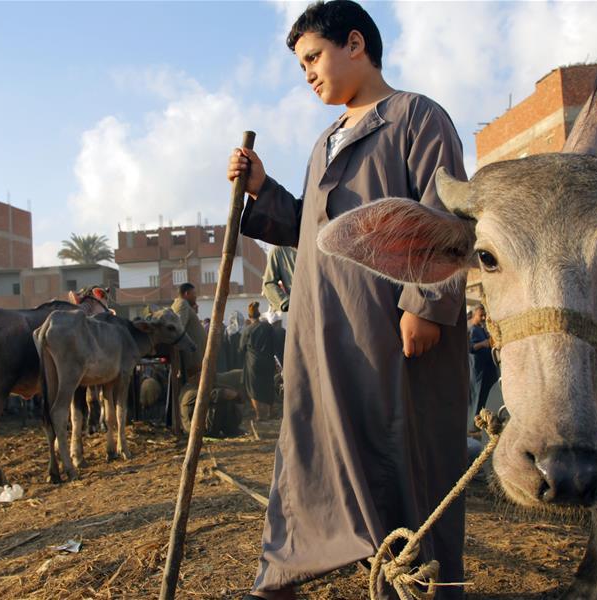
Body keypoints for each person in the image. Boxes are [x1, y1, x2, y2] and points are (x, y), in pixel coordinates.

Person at [227, 2, 469, 598]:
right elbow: (309, 228)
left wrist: (426, 303)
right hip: (322, 334)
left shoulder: (417, 119)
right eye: (301, 65)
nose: (308, 73)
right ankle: (284, 572)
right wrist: (262, 189)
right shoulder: (324, 143)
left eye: (314, 57)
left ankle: (420, 584)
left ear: (355, 43)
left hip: (388, 330)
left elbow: (448, 217)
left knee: (404, 455)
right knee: (313, 449)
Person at [239, 302, 277, 421]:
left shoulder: (247, 330)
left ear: (249, 317)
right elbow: (274, 343)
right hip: (268, 361)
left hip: (253, 363)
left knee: (253, 388)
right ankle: (270, 412)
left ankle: (259, 415)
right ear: (259, 314)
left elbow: (241, 348)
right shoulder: (267, 327)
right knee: (269, 385)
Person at [171, 283, 207, 383]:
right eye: (194, 294)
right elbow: (179, 327)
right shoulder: (182, 304)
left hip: (195, 357)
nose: (195, 297)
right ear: (186, 293)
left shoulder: (184, 305)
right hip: (192, 358)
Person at [468, 306, 499, 418]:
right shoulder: (471, 330)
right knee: (476, 396)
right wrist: (483, 344)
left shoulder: (482, 329)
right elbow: (469, 348)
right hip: (477, 370)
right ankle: (473, 423)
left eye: (484, 315)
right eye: (480, 315)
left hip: (486, 369)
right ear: (474, 315)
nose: (483, 318)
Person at [263, 246, 298, 312]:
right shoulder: (279, 251)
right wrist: (286, 302)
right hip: (299, 310)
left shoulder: (318, 243)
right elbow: (268, 284)